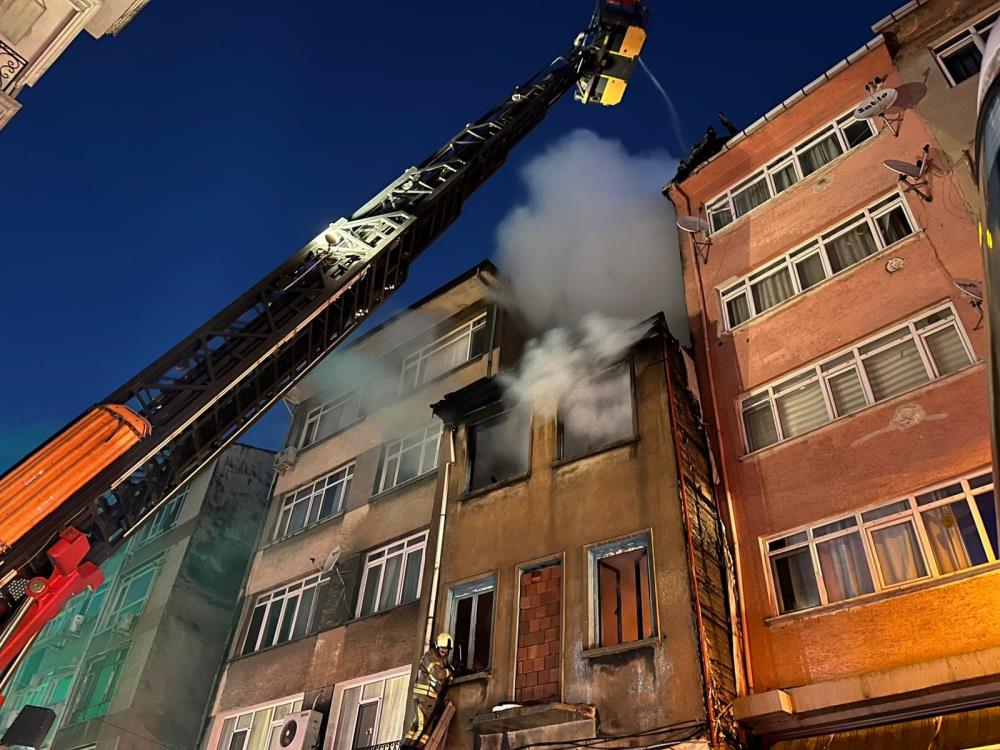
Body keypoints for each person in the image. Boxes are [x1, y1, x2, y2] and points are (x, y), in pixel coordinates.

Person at [402, 633, 454, 748]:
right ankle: (417, 747)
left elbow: (439, 679)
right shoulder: (431, 657)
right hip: (426, 696)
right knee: (425, 725)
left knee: (417, 723)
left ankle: (406, 745)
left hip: (423, 695)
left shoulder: (437, 659)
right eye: (443, 648)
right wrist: (449, 671)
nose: (445, 651)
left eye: (447, 649)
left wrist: (449, 676)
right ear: (437, 646)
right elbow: (438, 674)